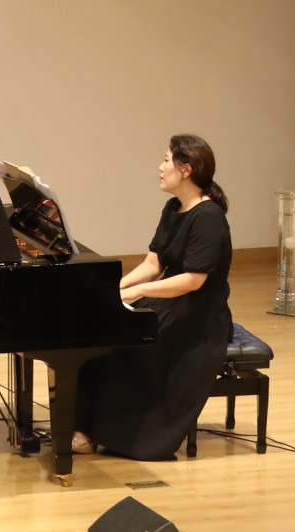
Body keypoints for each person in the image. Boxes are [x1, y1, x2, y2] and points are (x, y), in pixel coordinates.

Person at [73, 135, 234, 462]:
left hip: (199, 315)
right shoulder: (174, 208)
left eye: (166, 160)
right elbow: (153, 265)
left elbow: (193, 281)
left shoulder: (209, 216)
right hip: (170, 301)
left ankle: (120, 434)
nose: (160, 167)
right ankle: (86, 429)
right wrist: (114, 288)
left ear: (186, 169)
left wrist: (140, 291)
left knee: (130, 345)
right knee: (103, 333)